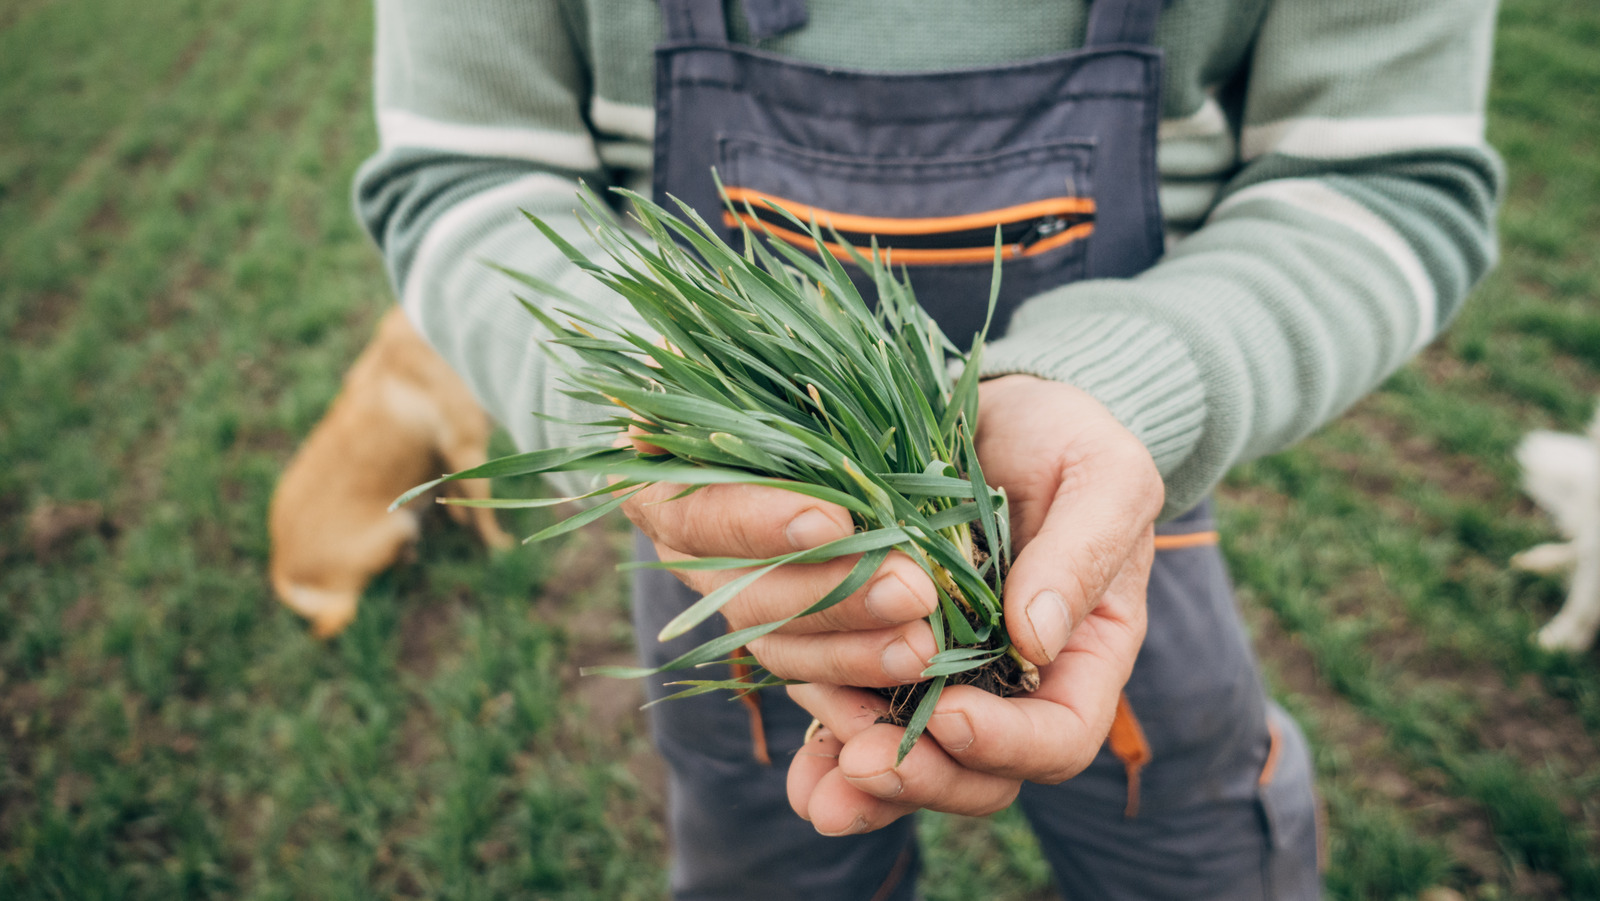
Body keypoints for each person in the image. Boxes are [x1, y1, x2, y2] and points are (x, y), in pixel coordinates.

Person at [355, 0, 1502, 897]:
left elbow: (1384, 176)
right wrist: (673, 423)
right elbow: (463, 175)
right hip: (743, 552)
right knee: (772, 860)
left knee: (1194, 853)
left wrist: (1114, 394)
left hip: (1105, 516)